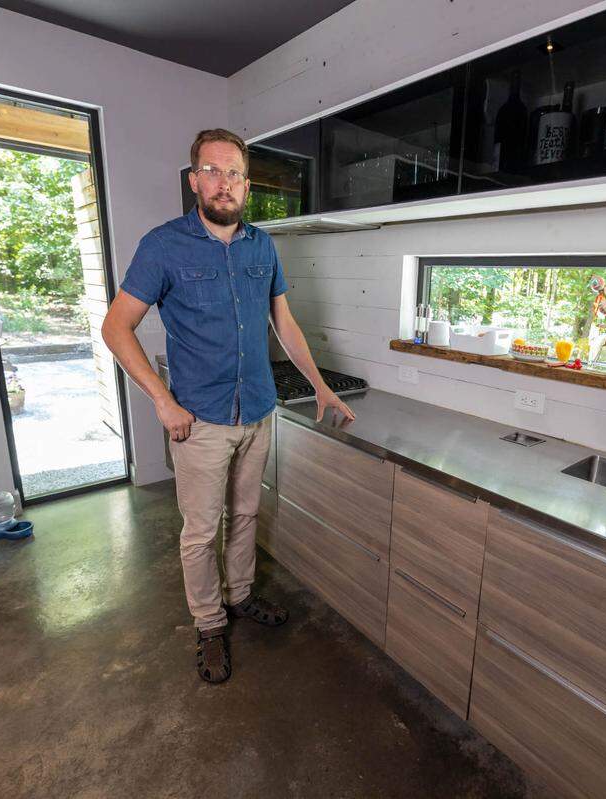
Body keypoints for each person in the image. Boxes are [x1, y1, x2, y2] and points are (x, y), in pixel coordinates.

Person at [102, 128, 356, 684]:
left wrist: (319, 384)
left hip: (258, 410)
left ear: (247, 183)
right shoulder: (163, 245)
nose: (224, 183)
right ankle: (210, 622)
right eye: (212, 172)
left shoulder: (262, 245)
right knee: (201, 530)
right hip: (200, 419)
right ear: (195, 180)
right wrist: (164, 402)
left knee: (245, 516)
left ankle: (239, 597)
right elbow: (116, 328)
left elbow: (283, 323)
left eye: (234, 173)